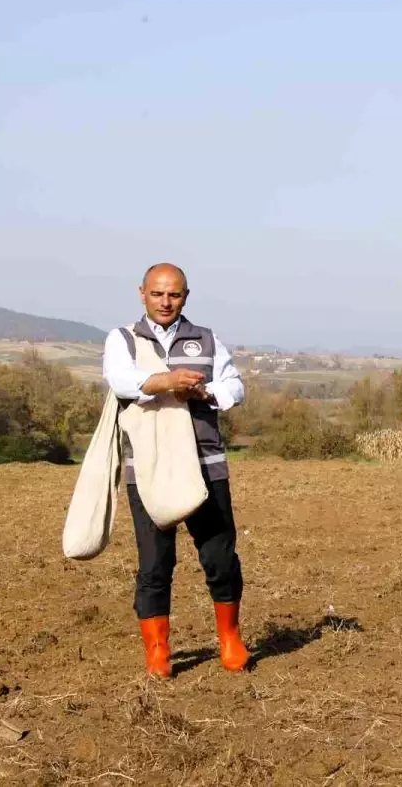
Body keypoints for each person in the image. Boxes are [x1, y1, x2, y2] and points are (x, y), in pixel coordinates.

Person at [102, 262, 248, 677]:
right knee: (154, 564)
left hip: (206, 464)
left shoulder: (206, 338)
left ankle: (230, 639)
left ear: (186, 296)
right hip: (148, 467)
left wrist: (205, 391)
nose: (166, 302)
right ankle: (158, 653)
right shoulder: (123, 340)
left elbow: (234, 385)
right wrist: (166, 382)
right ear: (142, 293)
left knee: (220, 558)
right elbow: (120, 381)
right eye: (158, 294)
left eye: (175, 294)